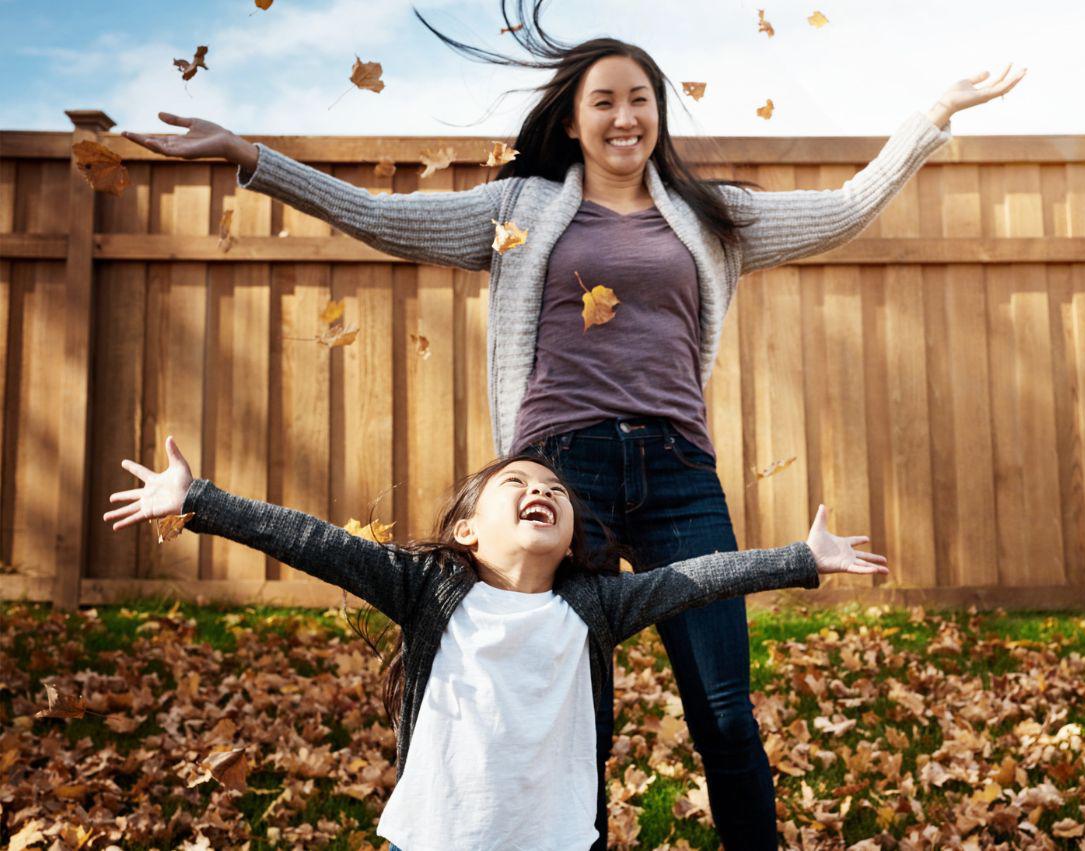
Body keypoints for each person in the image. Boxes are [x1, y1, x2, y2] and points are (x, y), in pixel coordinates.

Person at [119, 6, 1024, 844]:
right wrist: (250, 154)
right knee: (569, 707)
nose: (625, 116)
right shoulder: (518, 209)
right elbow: (383, 218)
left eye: (641, 100)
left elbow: (846, 208)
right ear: (572, 120)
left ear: (657, 115)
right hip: (558, 472)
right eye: (605, 101)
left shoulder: (714, 217)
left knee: (725, 710)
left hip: (678, 471)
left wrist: (933, 113)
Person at [102, 436, 888, 850]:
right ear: (467, 528)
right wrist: (198, 500)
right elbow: (314, 541)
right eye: (516, 483)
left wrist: (801, 558)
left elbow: (696, 576)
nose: (539, 490)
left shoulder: (598, 606)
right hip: (436, 835)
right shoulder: (427, 590)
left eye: (553, 489)